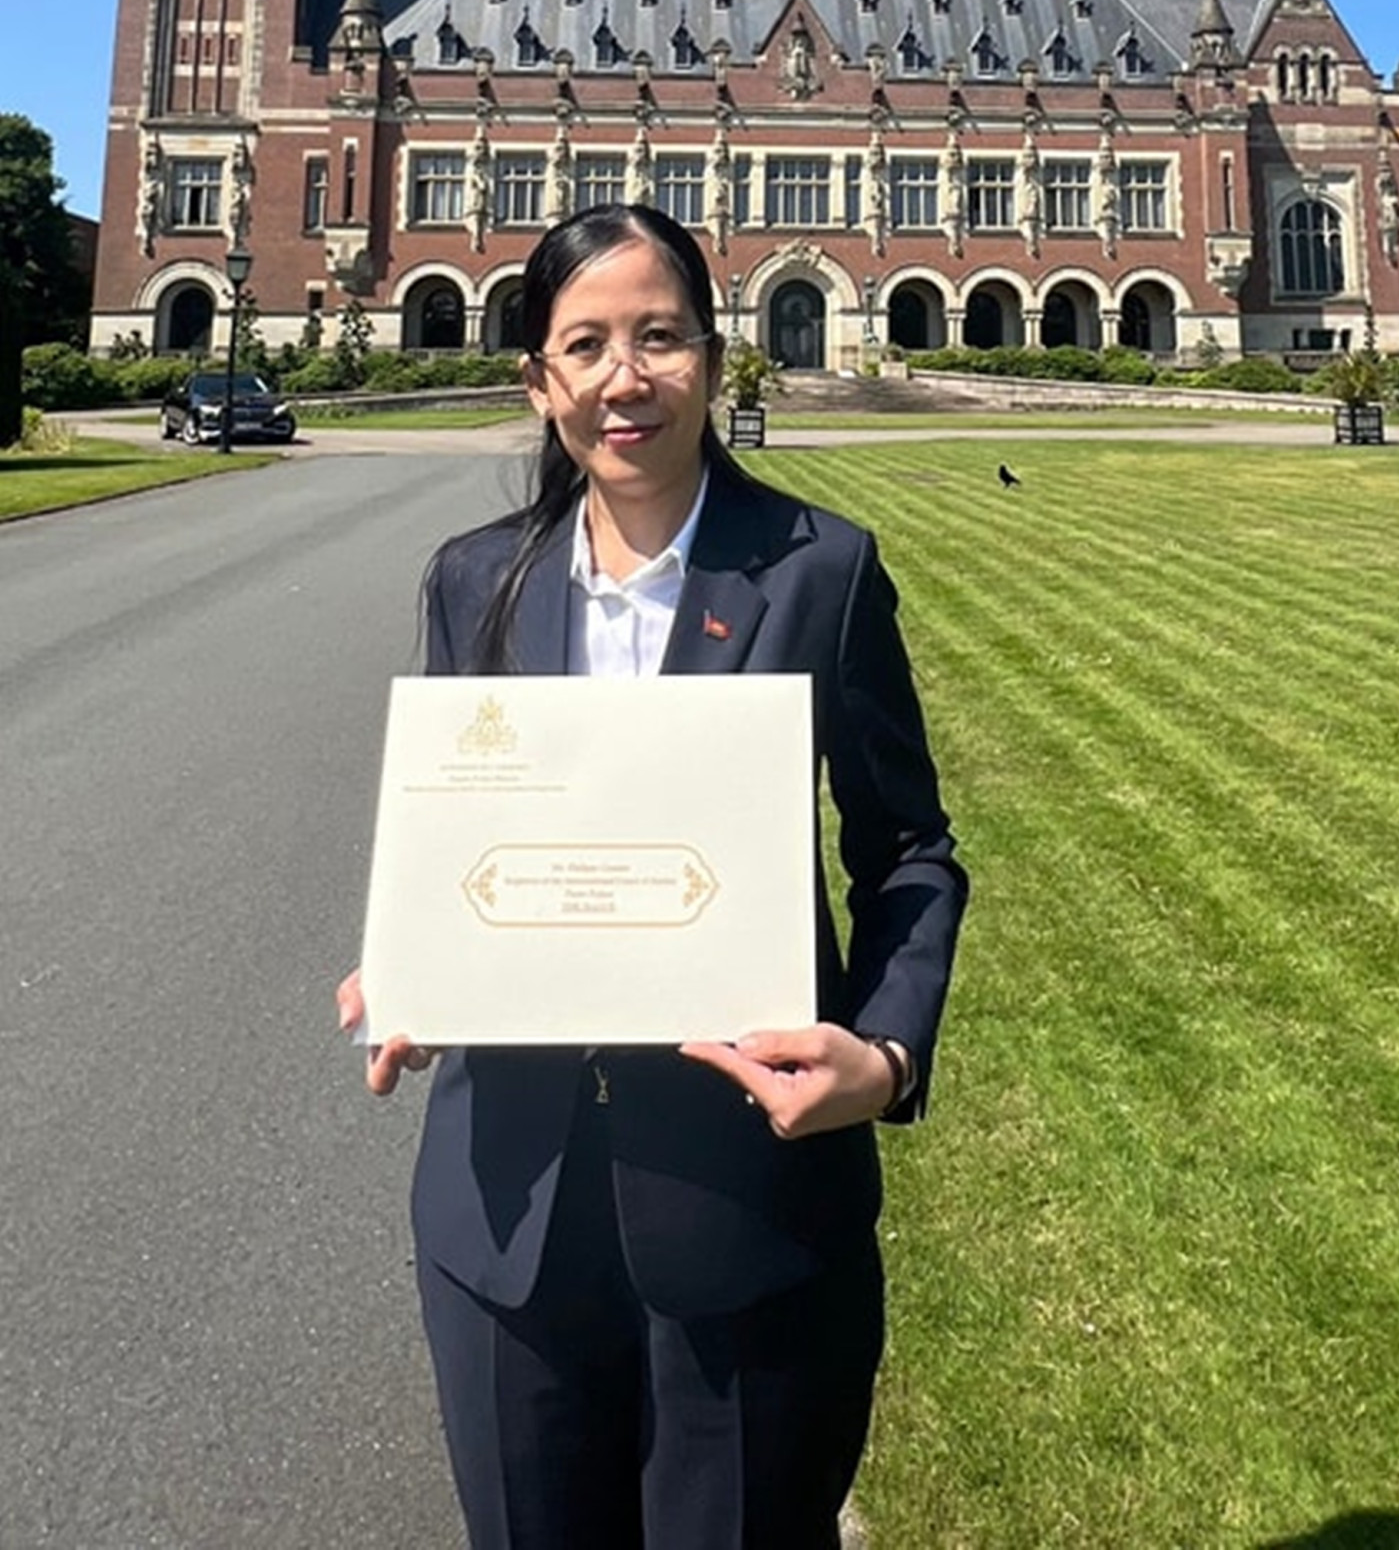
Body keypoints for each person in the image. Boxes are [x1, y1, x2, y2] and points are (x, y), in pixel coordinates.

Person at [337, 202, 966, 1550]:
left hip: (748, 1209)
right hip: (506, 1218)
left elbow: (909, 849)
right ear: (540, 381)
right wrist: (413, 963)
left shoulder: (820, 573)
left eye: (660, 337)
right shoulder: (473, 581)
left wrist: (886, 1055)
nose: (625, 378)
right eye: (587, 345)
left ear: (713, 359)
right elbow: (460, 838)